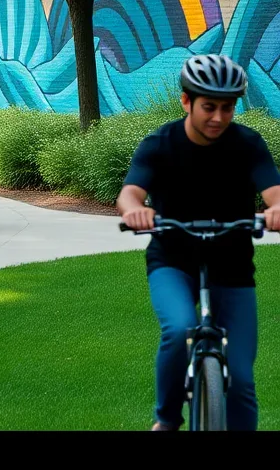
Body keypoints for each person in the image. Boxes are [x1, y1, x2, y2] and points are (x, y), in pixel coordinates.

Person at [117, 54, 280, 432]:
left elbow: (274, 192)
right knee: (179, 329)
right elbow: (130, 194)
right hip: (172, 261)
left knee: (240, 378)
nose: (219, 117)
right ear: (186, 101)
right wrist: (134, 211)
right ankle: (167, 420)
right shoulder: (160, 144)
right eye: (209, 106)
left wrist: (276, 210)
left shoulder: (248, 144)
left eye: (227, 107)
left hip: (233, 267)